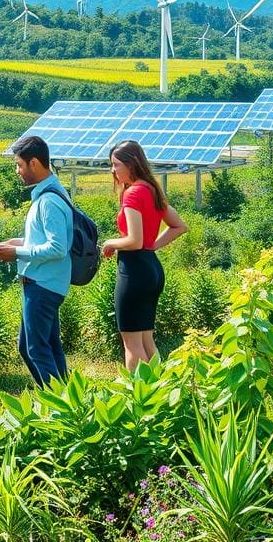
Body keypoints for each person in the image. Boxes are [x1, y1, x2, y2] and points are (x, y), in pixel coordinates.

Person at [0, 136, 73, 387]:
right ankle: (67, 398)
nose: (17, 171)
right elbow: (41, 239)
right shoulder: (50, 193)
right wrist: (17, 243)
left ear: (34, 163)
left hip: (43, 283)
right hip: (44, 281)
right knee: (38, 346)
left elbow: (57, 247)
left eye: (19, 165)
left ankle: (58, 405)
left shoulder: (48, 201)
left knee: (36, 349)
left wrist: (17, 253)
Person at [101, 140, 187, 372]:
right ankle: (163, 391)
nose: (113, 170)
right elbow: (179, 226)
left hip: (134, 271)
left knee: (131, 344)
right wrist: (153, 246)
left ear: (131, 164)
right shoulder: (152, 189)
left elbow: (134, 240)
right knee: (147, 341)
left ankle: (140, 396)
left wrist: (110, 243)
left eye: (116, 165)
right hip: (152, 269)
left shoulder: (132, 195)